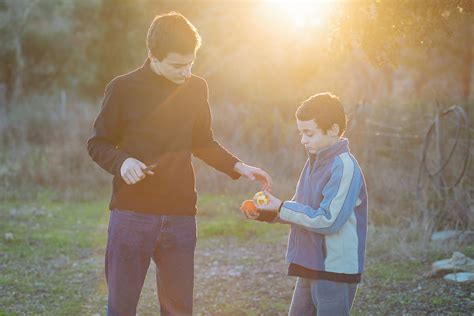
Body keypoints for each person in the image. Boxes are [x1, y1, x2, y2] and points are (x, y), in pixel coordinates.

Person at [87, 12, 271, 316]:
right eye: (177, 65)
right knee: (121, 308)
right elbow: (98, 143)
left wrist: (239, 167)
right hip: (132, 216)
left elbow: (203, 142)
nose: (186, 72)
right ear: (152, 56)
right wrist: (122, 162)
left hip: (181, 217)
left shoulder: (197, 88)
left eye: (190, 63)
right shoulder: (121, 89)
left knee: (179, 310)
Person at [242, 92, 367, 316]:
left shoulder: (344, 167)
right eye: (301, 133)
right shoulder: (315, 160)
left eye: (309, 133)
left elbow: (327, 220)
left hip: (334, 268)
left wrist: (281, 207)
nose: (303, 140)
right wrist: (269, 212)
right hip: (310, 262)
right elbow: (302, 209)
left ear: (333, 130)